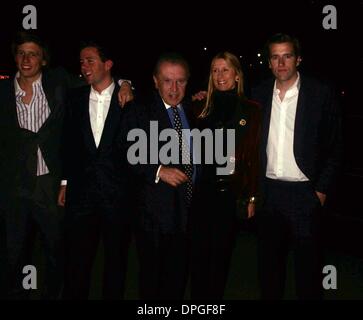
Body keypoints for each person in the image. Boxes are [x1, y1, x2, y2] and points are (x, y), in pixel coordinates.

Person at [0, 31, 133, 299]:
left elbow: (99, 79)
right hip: (14, 186)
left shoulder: (60, 83)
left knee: (57, 252)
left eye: (33, 53)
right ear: (15, 57)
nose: (26, 59)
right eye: (21, 53)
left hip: (48, 185)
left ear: (43, 60)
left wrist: (126, 82)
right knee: (12, 252)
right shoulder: (2, 91)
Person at [251, 33, 343, 299]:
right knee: (269, 271)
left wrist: (321, 190)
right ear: (269, 62)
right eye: (275, 57)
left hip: (305, 194)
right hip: (269, 194)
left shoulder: (320, 92)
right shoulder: (257, 94)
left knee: (309, 273)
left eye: (287, 56)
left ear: (298, 59)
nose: (281, 63)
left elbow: (335, 145)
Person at [59, 41, 133, 299]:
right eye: (81, 61)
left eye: (90, 60)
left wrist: (127, 83)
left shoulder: (129, 98)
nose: (84, 66)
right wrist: (65, 182)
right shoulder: (75, 98)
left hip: (118, 197)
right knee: (77, 264)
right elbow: (67, 143)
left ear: (108, 64)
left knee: (116, 264)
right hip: (82, 196)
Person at [120, 52, 197, 300]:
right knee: (153, 279)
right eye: (167, 81)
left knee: (177, 279)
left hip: (188, 212)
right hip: (154, 214)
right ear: (155, 81)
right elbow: (124, 153)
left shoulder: (195, 109)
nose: (174, 88)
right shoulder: (139, 110)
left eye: (181, 81)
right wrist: (158, 170)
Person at [190, 52, 261, 299]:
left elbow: (253, 157)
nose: (219, 76)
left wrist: (251, 197)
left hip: (228, 196)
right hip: (200, 194)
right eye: (214, 70)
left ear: (237, 75)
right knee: (198, 258)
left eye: (225, 70)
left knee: (220, 259)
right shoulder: (199, 106)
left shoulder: (252, 112)